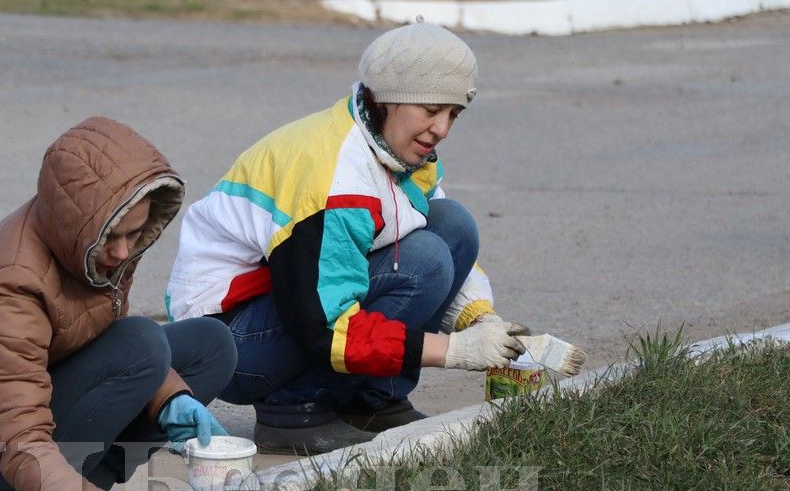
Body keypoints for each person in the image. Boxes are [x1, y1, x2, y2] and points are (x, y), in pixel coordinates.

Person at [165, 22, 527, 456]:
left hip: (282, 307)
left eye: (453, 113)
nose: (443, 128)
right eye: (431, 109)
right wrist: (453, 350)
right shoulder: (335, 179)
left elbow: (437, 231)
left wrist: (478, 319)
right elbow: (326, 328)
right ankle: (294, 410)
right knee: (424, 259)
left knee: (452, 225)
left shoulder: (394, 147)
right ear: (389, 98)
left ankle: (371, 400)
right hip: (230, 344)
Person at [0, 117, 237, 491]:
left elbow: (106, 342)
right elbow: (20, 436)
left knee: (210, 348)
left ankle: (86, 482)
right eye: (112, 237)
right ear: (75, 223)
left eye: (134, 233)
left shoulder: (96, 246)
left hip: (35, 408)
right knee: (144, 343)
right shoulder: (13, 280)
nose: (122, 251)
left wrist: (171, 399)